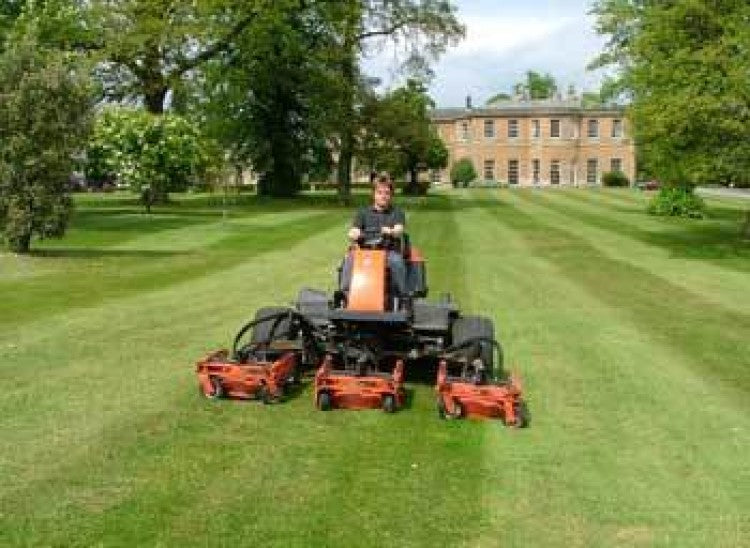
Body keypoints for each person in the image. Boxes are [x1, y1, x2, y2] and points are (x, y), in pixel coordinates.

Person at [341, 175, 408, 299]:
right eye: (380, 192)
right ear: (374, 194)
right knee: (349, 259)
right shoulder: (363, 212)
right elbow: (354, 230)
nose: (383, 196)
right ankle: (346, 295)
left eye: (387, 193)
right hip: (365, 251)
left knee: (397, 261)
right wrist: (354, 233)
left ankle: (402, 296)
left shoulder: (397, 212)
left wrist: (391, 231)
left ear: (391, 195)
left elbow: (399, 229)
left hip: (388, 252)